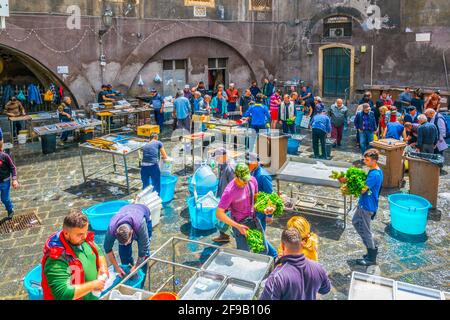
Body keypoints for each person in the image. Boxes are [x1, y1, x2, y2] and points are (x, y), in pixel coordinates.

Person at [41, 210, 109, 300]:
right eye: (80, 234)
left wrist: (103, 267)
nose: (85, 237)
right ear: (66, 233)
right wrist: (93, 285)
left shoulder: (82, 238)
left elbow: (98, 251)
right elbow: (63, 294)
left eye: (86, 232)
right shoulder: (56, 259)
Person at [216, 163, 274, 252]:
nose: (246, 182)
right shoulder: (229, 191)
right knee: (244, 254)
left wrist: (264, 209)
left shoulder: (252, 181)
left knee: (263, 250)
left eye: (247, 179)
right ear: (235, 176)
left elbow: (255, 200)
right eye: (243, 180)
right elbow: (219, 214)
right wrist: (238, 226)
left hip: (254, 220)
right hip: (239, 223)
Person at [260, 228, 331, 300]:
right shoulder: (318, 267)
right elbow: (325, 289)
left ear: (282, 246)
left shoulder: (277, 277)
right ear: (302, 244)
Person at [342, 149, 383, 266]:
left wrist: (346, 184)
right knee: (355, 222)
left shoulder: (374, 174)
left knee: (366, 231)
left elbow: (362, 189)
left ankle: (371, 256)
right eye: (365, 159)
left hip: (367, 206)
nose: (364, 161)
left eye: (367, 160)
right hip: (366, 204)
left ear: (374, 161)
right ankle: (371, 247)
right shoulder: (376, 170)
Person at [103, 204, 152, 278]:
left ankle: (141, 277)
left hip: (141, 212)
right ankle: (129, 274)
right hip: (125, 211)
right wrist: (116, 268)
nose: (126, 244)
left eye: (127, 242)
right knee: (124, 253)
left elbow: (144, 248)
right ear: (116, 234)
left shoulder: (140, 225)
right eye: (122, 243)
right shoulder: (111, 230)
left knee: (145, 253)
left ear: (132, 232)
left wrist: (137, 266)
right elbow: (107, 248)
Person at [246, 152, 278, 259]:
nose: (247, 164)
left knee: (260, 236)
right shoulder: (252, 172)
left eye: (249, 162)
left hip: (262, 212)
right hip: (254, 210)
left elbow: (271, 196)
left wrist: (269, 215)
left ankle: (273, 255)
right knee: (257, 236)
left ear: (256, 162)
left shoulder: (263, 176)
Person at [212, 148, 235, 244]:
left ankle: (233, 236)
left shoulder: (230, 168)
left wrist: (231, 203)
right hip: (223, 196)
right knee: (221, 218)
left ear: (223, 156)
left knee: (228, 218)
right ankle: (223, 235)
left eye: (217, 158)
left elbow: (234, 187)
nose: (216, 160)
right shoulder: (222, 165)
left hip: (229, 200)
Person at [0, 143, 19, 220]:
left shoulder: (4, 156)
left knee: (5, 199)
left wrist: (14, 179)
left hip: (5, 181)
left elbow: (13, 168)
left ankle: (10, 209)